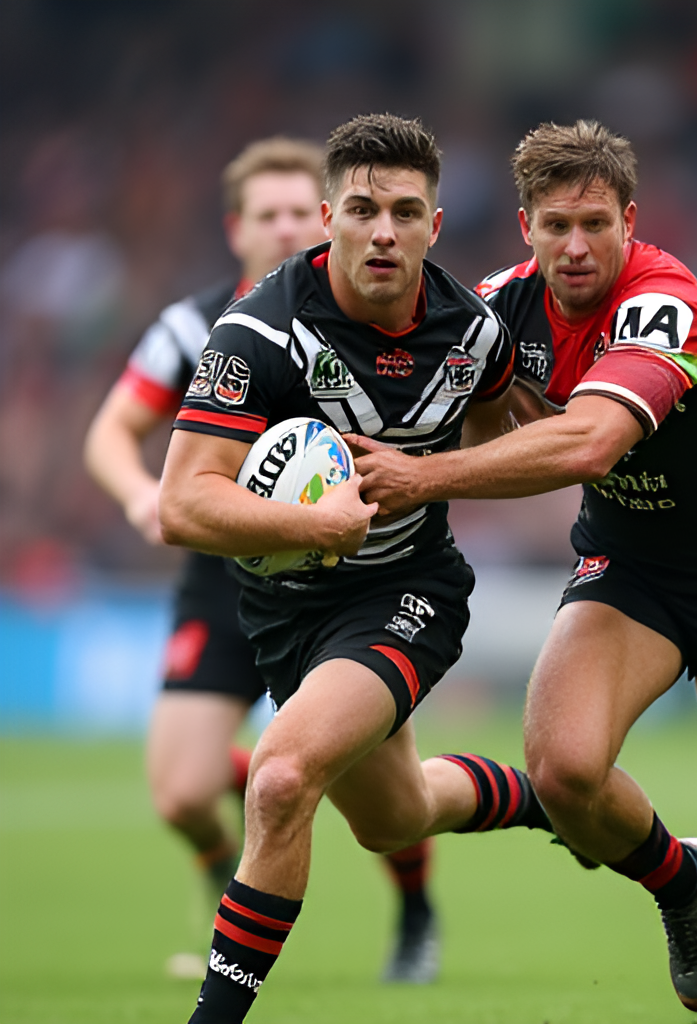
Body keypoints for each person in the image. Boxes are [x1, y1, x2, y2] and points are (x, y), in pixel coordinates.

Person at [353, 120, 697, 1024]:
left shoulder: (667, 302)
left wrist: (414, 475)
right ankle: (684, 886)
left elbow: (593, 440)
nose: (578, 247)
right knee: (564, 772)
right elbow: (458, 411)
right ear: (525, 226)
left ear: (630, 221)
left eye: (597, 225)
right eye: (557, 226)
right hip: (632, 568)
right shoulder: (497, 309)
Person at [158, 114, 553, 1024]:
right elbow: (185, 504)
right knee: (394, 816)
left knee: (282, 776)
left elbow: (512, 438)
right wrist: (310, 518)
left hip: (407, 590)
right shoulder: (258, 330)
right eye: (365, 209)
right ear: (329, 215)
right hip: (286, 610)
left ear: (435, 226)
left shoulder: (475, 333)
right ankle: (549, 799)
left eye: (406, 212)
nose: (384, 231)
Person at [84, 136, 442, 984]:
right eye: (269, 215)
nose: (286, 229)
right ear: (237, 228)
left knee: (383, 801)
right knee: (181, 791)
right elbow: (109, 431)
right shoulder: (196, 325)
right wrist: (146, 496)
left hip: (348, 582)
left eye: (297, 213)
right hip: (223, 576)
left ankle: (416, 909)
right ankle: (227, 880)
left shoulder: (361, 313)